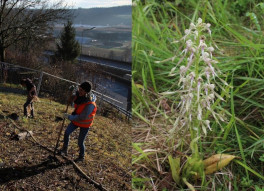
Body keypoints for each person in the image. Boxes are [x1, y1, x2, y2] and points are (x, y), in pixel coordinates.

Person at [60, 81, 97, 162]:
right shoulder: (79, 95)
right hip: (76, 120)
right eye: (79, 89)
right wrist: (70, 92)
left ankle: (81, 156)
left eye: (81, 90)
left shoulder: (90, 104)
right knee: (67, 133)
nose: (79, 91)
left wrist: (69, 117)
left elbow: (82, 117)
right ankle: (64, 149)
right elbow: (71, 98)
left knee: (80, 142)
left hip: (85, 124)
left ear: (86, 92)